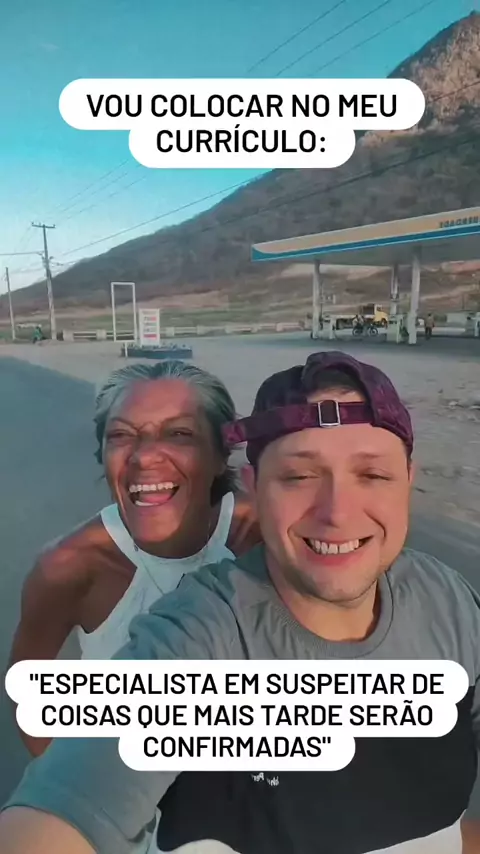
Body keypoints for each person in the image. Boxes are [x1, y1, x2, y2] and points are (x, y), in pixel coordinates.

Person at [2, 350, 480, 854]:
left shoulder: (441, 597)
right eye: (298, 477)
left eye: (179, 434)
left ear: (220, 459)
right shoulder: (107, 583)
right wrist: (83, 808)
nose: (336, 514)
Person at [8, 359, 260, 759]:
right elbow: (29, 695)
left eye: (179, 433)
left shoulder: (265, 537)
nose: (144, 457)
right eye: (122, 435)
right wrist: (77, 789)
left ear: (218, 456)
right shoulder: (71, 567)